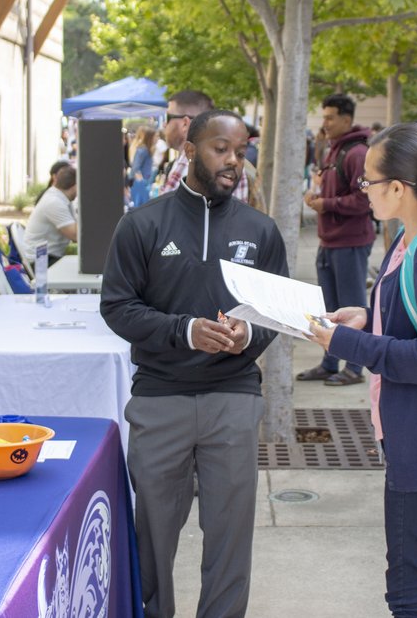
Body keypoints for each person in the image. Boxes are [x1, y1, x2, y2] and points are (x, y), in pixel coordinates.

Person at [101, 109, 287, 618]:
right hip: (160, 399)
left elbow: (278, 314)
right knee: (152, 536)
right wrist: (184, 330)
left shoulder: (262, 231)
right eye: (221, 149)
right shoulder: (141, 224)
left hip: (234, 397)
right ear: (189, 150)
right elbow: (117, 306)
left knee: (230, 537)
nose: (234, 162)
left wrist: (248, 333)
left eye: (241, 151)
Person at [308, 122, 417, 618]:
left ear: (399, 188)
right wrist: (368, 319)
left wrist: (349, 343)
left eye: (368, 181)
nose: (362, 190)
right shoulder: (416, 239)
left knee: (409, 592)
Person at [299, 93, 373, 386]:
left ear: (346, 119)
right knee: (328, 308)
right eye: (324, 116)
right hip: (329, 241)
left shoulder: (357, 154)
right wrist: (318, 198)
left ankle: (354, 368)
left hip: (350, 242)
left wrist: (326, 205)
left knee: (352, 307)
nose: (325, 123)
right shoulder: (334, 151)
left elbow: (364, 201)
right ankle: (330, 362)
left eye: (330, 117)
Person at [159, 90, 249, 205]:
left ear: (185, 123)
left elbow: (165, 216)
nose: (164, 124)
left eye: (167, 117)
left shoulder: (192, 160)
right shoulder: (233, 163)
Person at [23, 164, 78, 267]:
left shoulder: (60, 197)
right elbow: (76, 235)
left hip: (46, 257)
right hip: (41, 262)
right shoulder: (54, 202)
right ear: (75, 186)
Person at [129, 126, 157, 208]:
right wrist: (142, 184)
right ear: (150, 138)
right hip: (141, 185)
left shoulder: (147, 150)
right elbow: (136, 168)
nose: (157, 139)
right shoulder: (143, 150)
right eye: (155, 136)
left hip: (145, 183)